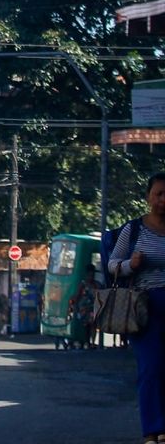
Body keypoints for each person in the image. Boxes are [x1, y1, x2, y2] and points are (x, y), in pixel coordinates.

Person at [108, 171, 165, 444]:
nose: (164, 200)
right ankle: (153, 430)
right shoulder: (133, 230)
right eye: (159, 194)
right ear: (148, 197)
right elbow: (112, 263)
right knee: (151, 366)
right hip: (144, 307)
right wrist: (131, 264)